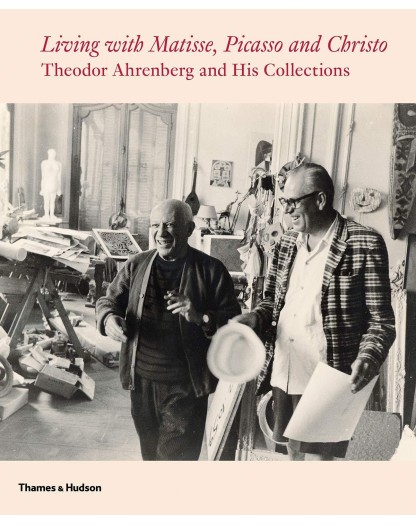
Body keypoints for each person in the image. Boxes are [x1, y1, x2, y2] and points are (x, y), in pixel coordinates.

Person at [233, 163, 396, 461]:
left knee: (321, 462)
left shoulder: (364, 242)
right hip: (285, 369)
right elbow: (272, 301)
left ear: (320, 200)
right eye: (284, 201)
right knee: (292, 455)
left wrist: (368, 357)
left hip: (329, 376)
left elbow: (381, 321)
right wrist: (255, 317)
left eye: (293, 202)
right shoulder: (285, 243)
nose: (287, 210)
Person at [96, 198, 241, 460]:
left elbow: (233, 323)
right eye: (155, 225)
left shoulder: (212, 270)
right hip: (141, 382)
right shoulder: (136, 264)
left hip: (185, 387)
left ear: (189, 229)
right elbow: (108, 301)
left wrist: (201, 317)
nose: (161, 233)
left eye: (170, 225)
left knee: (174, 461)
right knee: (150, 455)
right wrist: (108, 319)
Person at [40, 148, 62, 221]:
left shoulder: (58, 164)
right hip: (46, 183)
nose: (52, 155)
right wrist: (42, 188)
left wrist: (59, 188)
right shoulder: (44, 163)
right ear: (48, 154)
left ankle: (51, 215)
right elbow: (43, 176)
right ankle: (46, 215)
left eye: (53, 153)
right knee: (46, 201)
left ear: (55, 154)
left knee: (52, 201)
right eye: (51, 153)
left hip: (54, 183)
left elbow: (59, 177)